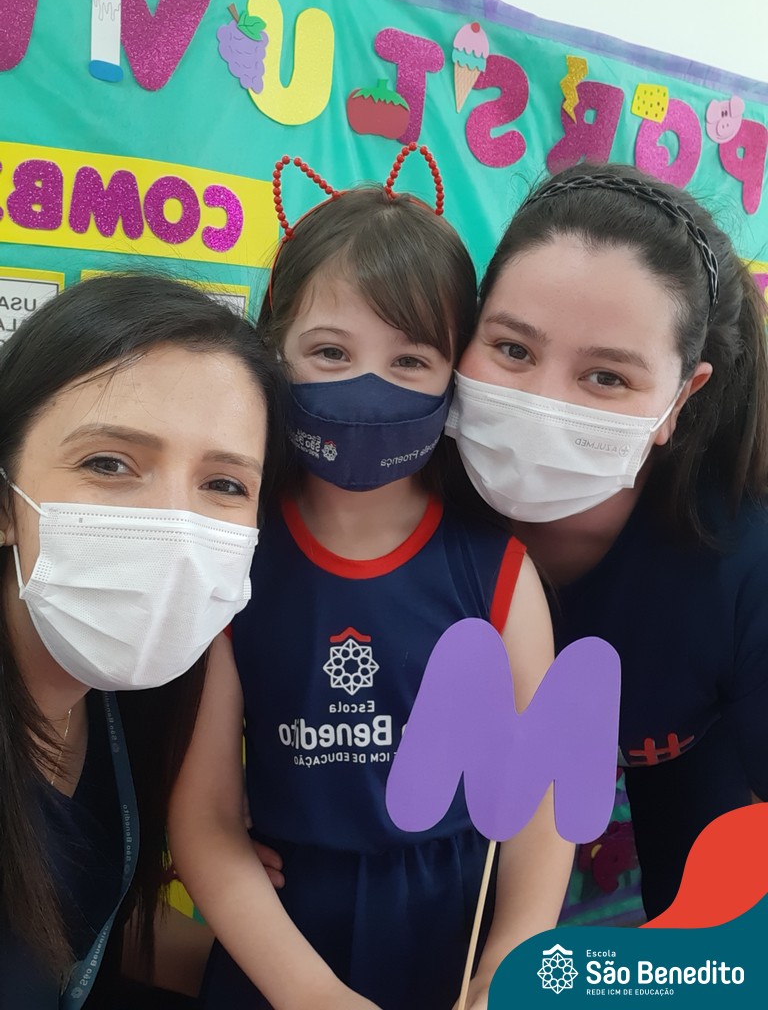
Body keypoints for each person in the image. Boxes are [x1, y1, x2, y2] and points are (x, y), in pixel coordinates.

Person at [168, 149, 574, 1010]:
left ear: (456, 374)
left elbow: (539, 799)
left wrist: (511, 959)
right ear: (272, 351)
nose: (368, 387)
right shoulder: (233, 559)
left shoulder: (497, 572)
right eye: (329, 350)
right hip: (282, 942)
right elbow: (204, 819)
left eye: (410, 360)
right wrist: (308, 992)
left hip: (452, 935)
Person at [445, 162, 768, 922]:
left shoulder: (739, 562)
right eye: (513, 350)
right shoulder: (396, 499)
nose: (541, 403)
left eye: (607, 378)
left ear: (680, 399)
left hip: (684, 804)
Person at [0, 273, 284, 1008]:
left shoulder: (126, 699)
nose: (174, 530)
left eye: (225, 484)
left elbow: (71, 927)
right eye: (109, 464)